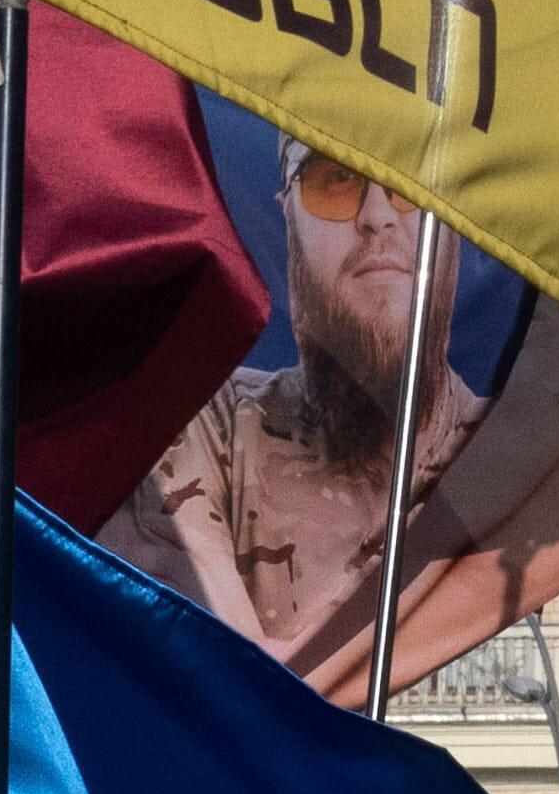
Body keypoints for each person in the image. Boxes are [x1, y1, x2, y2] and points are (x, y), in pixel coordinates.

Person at [102, 145, 486, 681]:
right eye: (334, 180)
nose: (377, 216)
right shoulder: (203, 420)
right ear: (289, 218)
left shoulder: (518, 451)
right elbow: (225, 679)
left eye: (412, 182)